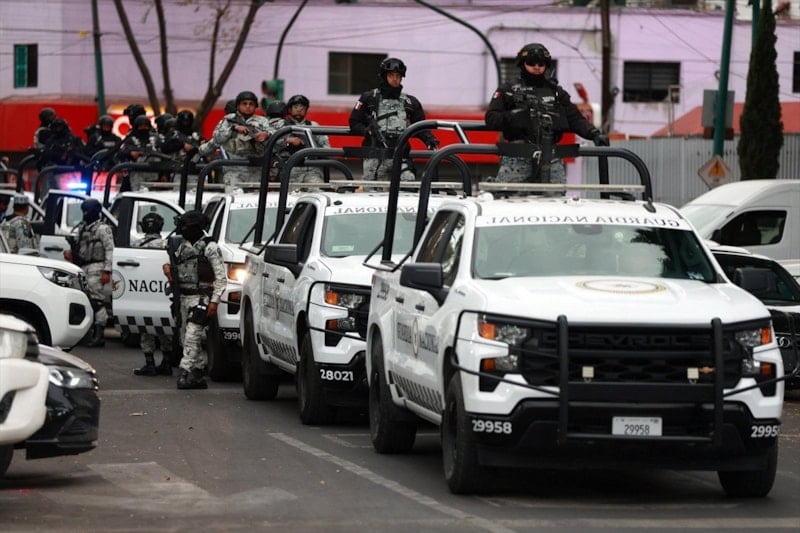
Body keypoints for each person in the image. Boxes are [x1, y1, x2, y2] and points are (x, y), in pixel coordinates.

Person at [485, 42, 609, 184]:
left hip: (551, 157)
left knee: (555, 197)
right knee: (509, 196)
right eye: (531, 63)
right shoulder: (508, 90)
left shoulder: (556, 92)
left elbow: (575, 119)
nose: (537, 67)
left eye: (541, 63)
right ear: (522, 63)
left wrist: (594, 134)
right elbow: (491, 119)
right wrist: (515, 117)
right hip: (517, 156)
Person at [348, 57, 438, 184]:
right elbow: (354, 122)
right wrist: (367, 131)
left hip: (400, 155)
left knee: (407, 183)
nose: (395, 79)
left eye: (398, 76)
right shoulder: (369, 98)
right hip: (374, 156)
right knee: (372, 191)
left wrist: (429, 140)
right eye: (391, 75)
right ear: (384, 76)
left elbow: (420, 127)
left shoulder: (410, 102)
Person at [163, 211, 226, 390]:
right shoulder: (181, 246)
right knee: (185, 337)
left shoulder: (210, 247)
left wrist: (214, 302)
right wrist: (168, 270)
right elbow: (175, 268)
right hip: (183, 297)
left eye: (185, 227)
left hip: (201, 298)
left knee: (192, 335)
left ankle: (185, 372)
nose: (182, 230)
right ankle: (198, 372)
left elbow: (221, 278)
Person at [63, 198, 114, 348]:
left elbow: (110, 249)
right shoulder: (83, 228)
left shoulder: (103, 229)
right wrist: (70, 253)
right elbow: (79, 246)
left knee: (96, 301)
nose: (85, 214)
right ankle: (88, 331)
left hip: (97, 266)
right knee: (85, 300)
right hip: (82, 267)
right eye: (84, 211)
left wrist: (107, 270)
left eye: (87, 211)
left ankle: (100, 333)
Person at [132, 212, 174, 377]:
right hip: (162, 290)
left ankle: (149, 363)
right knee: (165, 325)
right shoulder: (167, 245)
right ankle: (167, 363)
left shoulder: (136, 245)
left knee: (145, 325)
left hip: (142, 290)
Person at [210, 90, 274, 190]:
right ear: (238, 105)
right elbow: (217, 139)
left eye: (251, 104)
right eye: (244, 103)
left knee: (256, 199)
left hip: (256, 170)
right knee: (234, 198)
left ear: (255, 106)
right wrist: (233, 128)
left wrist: (267, 134)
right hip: (234, 169)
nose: (248, 106)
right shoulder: (228, 120)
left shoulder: (263, 121)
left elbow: (277, 135)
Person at [279, 94, 330, 185]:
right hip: (290, 168)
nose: (299, 110)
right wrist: (287, 140)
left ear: (306, 110)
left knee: (317, 190)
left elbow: (326, 146)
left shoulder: (314, 126)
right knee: (290, 192)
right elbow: (273, 144)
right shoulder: (282, 126)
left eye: (302, 107)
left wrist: (319, 154)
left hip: (312, 168)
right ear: (289, 109)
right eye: (296, 107)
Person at [117, 115, 161, 191]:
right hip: (136, 174)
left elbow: (163, 152)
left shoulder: (155, 139)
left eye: (146, 126)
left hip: (153, 174)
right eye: (141, 126)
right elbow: (120, 153)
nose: (143, 128)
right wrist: (130, 153)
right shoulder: (131, 139)